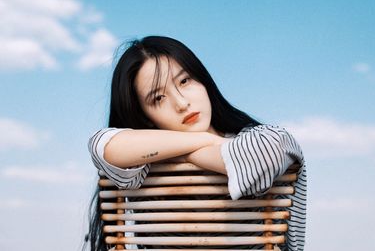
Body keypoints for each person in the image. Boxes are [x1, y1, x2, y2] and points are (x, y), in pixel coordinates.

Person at [84, 36, 307, 251]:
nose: (182, 103)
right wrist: (205, 140)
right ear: (145, 118)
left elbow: (270, 150)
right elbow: (102, 146)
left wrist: (187, 152)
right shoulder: (143, 160)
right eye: (158, 98)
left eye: (184, 80)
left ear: (203, 81)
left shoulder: (258, 137)